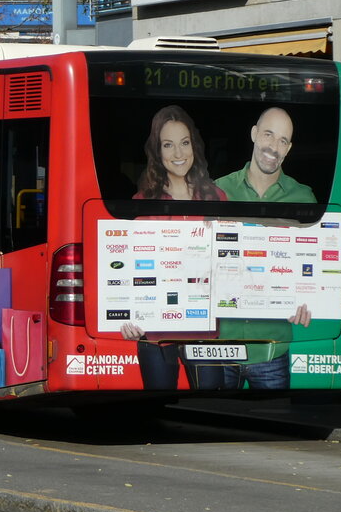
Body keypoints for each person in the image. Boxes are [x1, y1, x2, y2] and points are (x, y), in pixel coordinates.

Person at [193, 106, 315, 390]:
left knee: (274, 429)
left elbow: (311, 265)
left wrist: (309, 298)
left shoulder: (304, 198)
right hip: (220, 347)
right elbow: (197, 259)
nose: (273, 146)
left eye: (283, 140)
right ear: (254, 134)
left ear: (289, 148)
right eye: (269, 135)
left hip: (271, 348)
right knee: (213, 428)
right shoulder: (217, 192)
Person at [122, 106, 223, 389]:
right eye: (168, 145)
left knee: (212, 405)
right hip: (155, 327)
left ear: (194, 145)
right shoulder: (142, 201)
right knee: (159, 406)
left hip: (204, 326)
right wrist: (127, 314)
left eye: (184, 143)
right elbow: (129, 267)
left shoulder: (216, 198)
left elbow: (234, 262)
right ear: (157, 151)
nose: (178, 154)